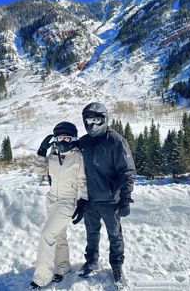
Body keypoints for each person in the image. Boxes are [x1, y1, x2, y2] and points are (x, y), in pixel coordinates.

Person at [73, 102, 136, 288]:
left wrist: (125, 198)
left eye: (96, 119)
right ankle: (91, 260)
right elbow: (67, 157)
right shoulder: (83, 143)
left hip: (111, 201)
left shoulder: (116, 141)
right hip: (89, 200)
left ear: (104, 119)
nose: (92, 124)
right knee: (91, 233)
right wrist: (50, 148)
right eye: (88, 120)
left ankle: (117, 265)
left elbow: (127, 171)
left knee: (114, 235)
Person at [29, 121, 88, 290]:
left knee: (47, 235)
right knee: (59, 235)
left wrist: (83, 201)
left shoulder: (78, 157)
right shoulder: (53, 154)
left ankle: (41, 278)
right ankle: (63, 267)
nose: (63, 141)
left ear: (73, 139)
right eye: (60, 137)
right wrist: (41, 152)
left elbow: (83, 181)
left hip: (67, 202)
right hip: (51, 199)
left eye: (67, 138)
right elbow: (40, 173)